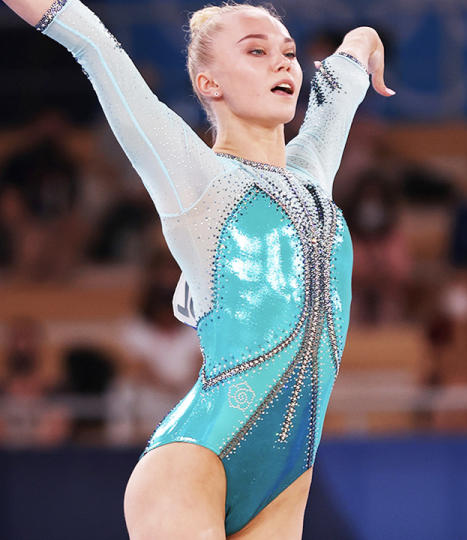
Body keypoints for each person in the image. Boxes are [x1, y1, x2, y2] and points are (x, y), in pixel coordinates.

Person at [2, 0, 394, 536]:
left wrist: (365, 38)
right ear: (209, 84)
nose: (283, 63)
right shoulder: (197, 178)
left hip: (285, 481)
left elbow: (345, 76)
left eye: (288, 52)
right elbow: (90, 41)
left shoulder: (314, 172)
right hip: (195, 458)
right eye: (255, 51)